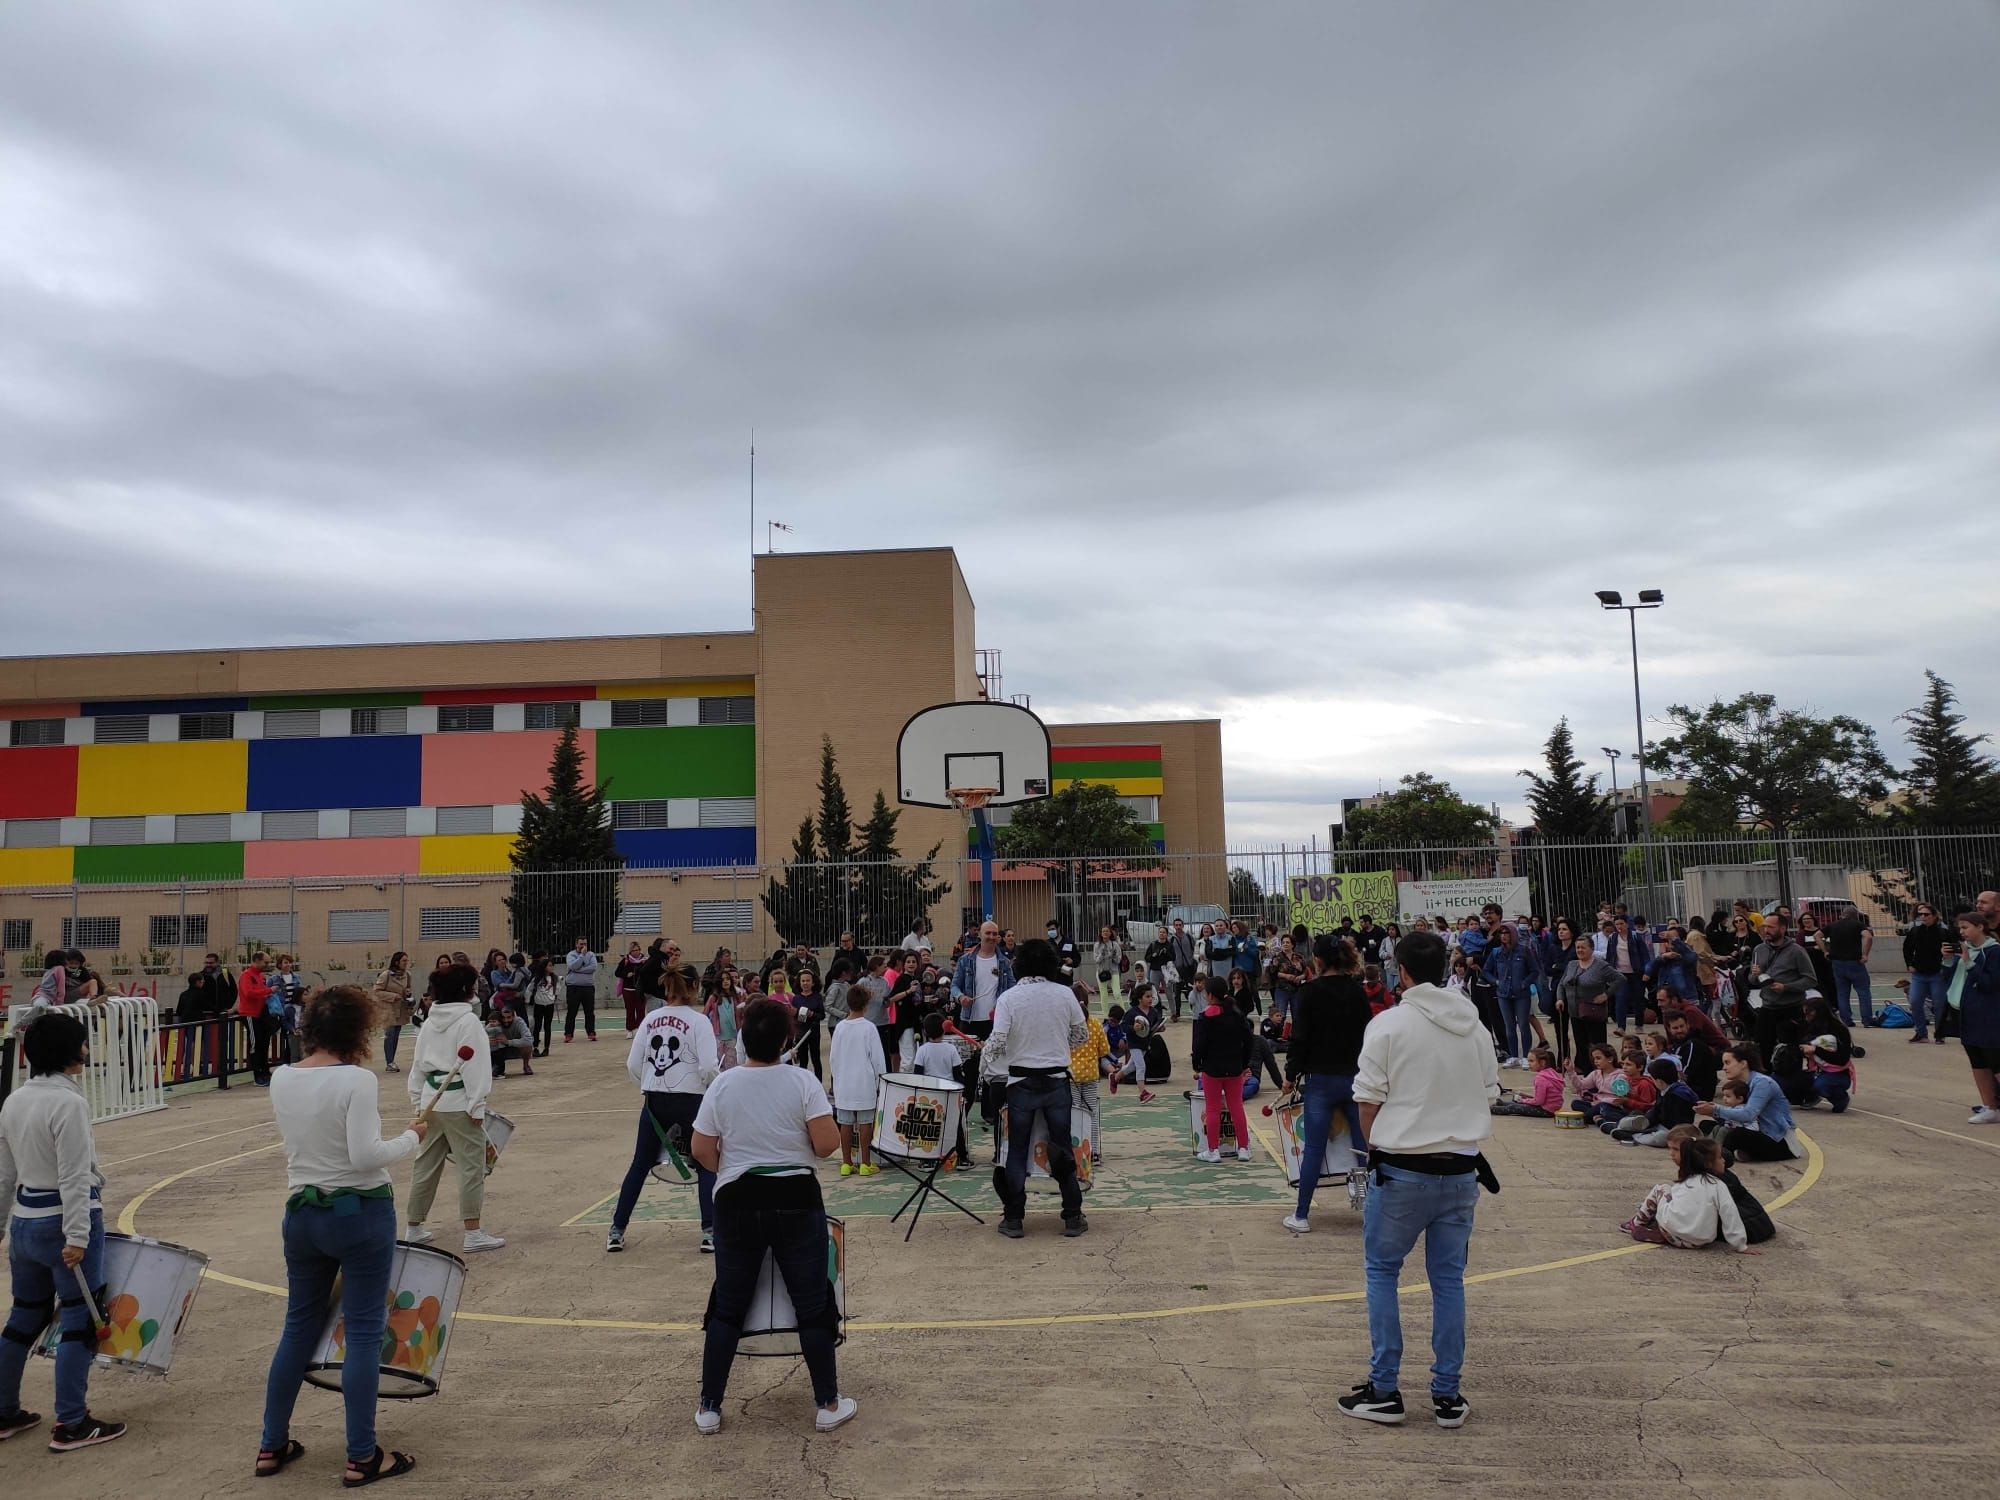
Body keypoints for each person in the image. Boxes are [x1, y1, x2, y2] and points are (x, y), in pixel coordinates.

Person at [255, 986, 425, 1485]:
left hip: (302, 1214)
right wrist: (413, 1136)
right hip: (360, 1214)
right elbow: (365, 1156)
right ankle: (362, 1455)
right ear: (359, 1029)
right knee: (365, 1333)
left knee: (297, 1328)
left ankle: (271, 1444)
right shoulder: (356, 1079)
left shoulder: (283, 1077)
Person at [1339, 929, 1498, 1430]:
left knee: (1382, 1271)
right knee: (1448, 1280)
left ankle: (1385, 1388)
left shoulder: (1389, 1025)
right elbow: (1489, 1092)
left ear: (1401, 972)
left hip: (1404, 1168)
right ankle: (1447, 1394)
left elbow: (1368, 1101)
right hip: (1461, 1170)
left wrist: (1379, 1147)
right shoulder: (1474, 1027)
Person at [690, 998, 854, 1435]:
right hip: (795, 1197)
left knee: (728, 1302)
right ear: (785, 1039)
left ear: (743, 1035)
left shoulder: (723, 1086)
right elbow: (824, 1145)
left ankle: (709, 1405)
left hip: (737, 1199)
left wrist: (731, 1161)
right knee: (812, 1301)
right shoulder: (803, 1081)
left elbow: (701, 1151)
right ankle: (827, 1402)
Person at [0, 1012, 126, 1452]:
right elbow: (74, 1176)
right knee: (81, 1321)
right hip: (64, 1221)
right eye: (82, 1043)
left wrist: (2, 1227)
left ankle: (4, 1410)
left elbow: (5, 1174)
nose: (87, 1050)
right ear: (69, 1051)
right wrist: (77, 1237)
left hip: (25, 1221)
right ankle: (71, 1422)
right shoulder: (69, 1103)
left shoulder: (15, 1100)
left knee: (25, 1316)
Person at [608, 967, 718, 1254]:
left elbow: (633, 1064)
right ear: (694, 987)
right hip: (691, 1099)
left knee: (640, 1164)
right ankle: (710, 1232)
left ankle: (617, 1230)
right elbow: (708, 1066)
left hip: (655, 1099)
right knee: (706, 1163)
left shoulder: (650, 1019)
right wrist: (712, 1090)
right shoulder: (699, 1021)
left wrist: (647, 1084)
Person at [987, 939, 1088, 1238]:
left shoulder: (1009, 998)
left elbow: (998, 1041)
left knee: (1017, 1151)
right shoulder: (1064, 994)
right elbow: (1080, 1034)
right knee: (1061, 1147)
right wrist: (1058, 1046)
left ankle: (1014, 1218)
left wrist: (985, 1061)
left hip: (1021, 1082)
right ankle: (1072, 1215)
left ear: (1018, 965)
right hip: (1057, 1079)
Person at [403, 964, 504, 1253]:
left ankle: (414, 1227)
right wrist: (477, 1106)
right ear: (467, 990)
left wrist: (416, 1100)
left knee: (426, 1164)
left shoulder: (429, 1021)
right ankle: (473, 1233)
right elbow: (477, 1069)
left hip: (430, 1101)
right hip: (460, 1103)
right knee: (472, 1167)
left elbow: (418, 1065)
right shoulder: (469, 1022)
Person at [1282, 936, 1371, 1231]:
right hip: (1355, 1078)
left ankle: (1302, 1215)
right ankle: (1373, 1211)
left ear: (1317, 961)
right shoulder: (1357, 992)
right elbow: (1368, 1035)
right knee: (1363, 1146)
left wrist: (1290, 1074)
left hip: (1319, 1080)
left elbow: (1300, 1039)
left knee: (1315, 1149)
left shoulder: (1308, 993)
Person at [1620, 1134, 1756, 1252]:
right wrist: (1741, 1245)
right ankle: (1660, 1230)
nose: (1724, 1161)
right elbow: (1730, 1214)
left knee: (1661, 1188)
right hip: (1699, 1242)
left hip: (1673, 1234)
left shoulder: (1685, 1180)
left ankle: (1638, 1223)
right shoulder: (1718, 1185)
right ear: (1708, 1163)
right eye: (1720, 1158)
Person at [1941, 906, 2000, 1123]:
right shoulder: (1966, 951)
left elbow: (1989, 984)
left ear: (1980, 927)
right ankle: (1990, 1107)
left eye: (1966, 927)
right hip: (1965, 1013)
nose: (1962, 932)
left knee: (1995, 1061)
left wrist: (1968, 962)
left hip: (1988, 1014)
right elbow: (1953, 979)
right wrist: (1948, 961)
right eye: (1960, 928)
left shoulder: (1994, 952)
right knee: (1977, 1062)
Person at [1695, 1043, 1799, 1163]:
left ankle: (1718, 1154)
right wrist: (1711, 1111)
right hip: (1756, 1131)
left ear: (1743, 1064)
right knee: (1706, 1125)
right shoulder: (1742, 1084)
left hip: (1778, 1140)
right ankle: (1742, 1152)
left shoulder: (1763, 1083)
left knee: (1735, 1134)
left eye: (1727, 1063)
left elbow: (1748, 1115)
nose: (1724, 1068)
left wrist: (1716, 1109)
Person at [1191, 977, 1253, 1164]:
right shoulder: (1236, 1013)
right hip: (1234, 1067)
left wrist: (1197, 1063)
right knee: (1237, 1107)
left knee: (1213, 1109)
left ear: (1209, 995)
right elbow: (1249, 1040)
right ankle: (1243, 1148)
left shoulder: (1206, 1016)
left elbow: (1199, 1044)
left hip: (1212, 1069)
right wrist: (1244, 1063)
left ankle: (1213, 1150)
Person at [829, 988, 886, 1175]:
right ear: (866, 1005)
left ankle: (846, 1163)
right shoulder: (869, 1028)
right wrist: (881, 1081)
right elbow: (877, 1059)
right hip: (864, 1083)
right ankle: (865, 1163)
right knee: (865, 1124)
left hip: (844, 1083)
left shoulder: (840, 1027)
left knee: (845, 1123)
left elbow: (833, 1058)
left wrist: (837, 1079)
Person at [1746, 918, 1815, 1066]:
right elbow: (1751, 979)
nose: (1766, 930)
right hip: (1767, 1008)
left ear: (1783, 929)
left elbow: (1811, 980)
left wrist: (1786, 987)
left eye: (1770, 927)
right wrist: (1754, 975)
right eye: (1764, 927)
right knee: (1762, 1049)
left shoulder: (1797, 951)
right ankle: (1768, 1081)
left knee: (1791, 1051)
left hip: (1791, 1008)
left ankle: (1792, 1083)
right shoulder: (1759, 950)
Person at [1482, 922, 1538, 1069]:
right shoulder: (1496, 952)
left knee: (1524, 1024)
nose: (1504, 936)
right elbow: (1486, 971)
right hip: (1503, 994)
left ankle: (1526, 1056)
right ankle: (1513, 1056)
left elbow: (1534, 971)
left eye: (1507, 933)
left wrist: (1524, 983)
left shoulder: (1524, 951)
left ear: (1513, 934)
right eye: (1501, 933)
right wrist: (1496, 981)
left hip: (1521, 994)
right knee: (1509, 1026)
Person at [950, 921, 1014, 1040]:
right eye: (988, 933)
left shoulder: (1004, 962)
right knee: (971, 1059)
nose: (991, 937)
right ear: (980, 934)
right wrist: (961, 997)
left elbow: (1012, 988)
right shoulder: (965, 960)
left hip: (996, 1021)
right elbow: (954, 986)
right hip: (969, 1020)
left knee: (995, 1058)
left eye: (994, 934)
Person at [1902, 903, 1951, 1043]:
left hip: (1937, 974)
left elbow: (1952, 949)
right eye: (1920, 914)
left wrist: (1946, 964)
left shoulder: (1943, 932)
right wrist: (1909, 964)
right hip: (1919, 974)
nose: (1923, 917)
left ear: (1934, 916)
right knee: (1915, 1001)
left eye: (1926, 914)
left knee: (1939, 1004)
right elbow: (1907, 948)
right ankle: (1921, 1033)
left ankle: (1939, 1034)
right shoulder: (1915, 931)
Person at [1794, 996, 1853, 1112]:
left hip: (1838, 1072)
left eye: (1809, 1013)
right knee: (1788, 1082)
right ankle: (1810, 1095)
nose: (1806, 1017)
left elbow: (1842, 1059)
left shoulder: (1839, 1030)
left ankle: (1840, 1098)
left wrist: (1816, 1050)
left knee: (1821, 1085)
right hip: (1814, 1069)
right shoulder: (1807, 1026)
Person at [238, 951, 278, 1086]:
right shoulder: (247, 975)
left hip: (260, 1013)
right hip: (250, 1013)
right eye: (265, 962)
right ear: (257, 960)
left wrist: (268, 994)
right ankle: (257, 1074)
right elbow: (249, 993)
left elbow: (258, 993)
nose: (267, 965)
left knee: (263, 1043)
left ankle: (264, 1071)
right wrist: (269, 991)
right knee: (255, 1044)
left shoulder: (260, 976)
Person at [1490, 1046, 1564, 1119]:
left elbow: (1538, 1101)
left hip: (1546, 1110)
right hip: (1553, 1108)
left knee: (1516, 1108)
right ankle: (1504, 1104)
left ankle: (1493, 1109)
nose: (1528, 1063)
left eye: (1531, 1061)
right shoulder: (1551, 1073)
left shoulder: (1541, 1078)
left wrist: (1523, 1100)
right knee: (1520, 1103)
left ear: (1542, 1062)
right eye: (1528, 1061)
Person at [372, 952, 415, 1074]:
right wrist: (392, 996)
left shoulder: (407, 975)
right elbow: (377, 991)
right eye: (403, 961)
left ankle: (392, 1060)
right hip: (388, 1009)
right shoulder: (386, 975)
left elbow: (408, 988)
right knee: (389, 1036)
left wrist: (407, 993)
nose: (406, 963)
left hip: (401, 1009)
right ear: (396, 962)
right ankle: (389, 1062)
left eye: (407, 960)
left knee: (396, 1035)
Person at [790, 967, 826, 1079]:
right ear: (799, 983)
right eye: (803, 981)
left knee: (816, 1059)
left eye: (808, 980)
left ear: (813, 982)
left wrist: (812, 1015)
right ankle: (803, 1085)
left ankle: (818, 1083)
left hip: (814, 1032)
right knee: (803, 1061)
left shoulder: (817, 997)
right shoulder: (796, 998)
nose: (805, 983)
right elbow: (795, 1016)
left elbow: (822, 1015)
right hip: (801, 1033)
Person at [563, 937, 600, 1043]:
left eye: (585, 943)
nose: (583, 946)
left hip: (588, 987)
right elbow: (573, 966)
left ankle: (591, 1032)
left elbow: (593, 967)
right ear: (576, 944)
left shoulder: (591, 955)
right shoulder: (571, 955)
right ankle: (568, 1034)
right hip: (573, 987)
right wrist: (581, 956)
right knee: (572, 1012)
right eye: (581, 944)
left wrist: (578, 970)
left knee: (589, 1012)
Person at [522, 956, 560, 1058]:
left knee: (548, 1026)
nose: (552, 968)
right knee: (537, 1026)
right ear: (544, 967)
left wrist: (553, 998)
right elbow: (529, 989)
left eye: (552, 966)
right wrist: (527, 1000)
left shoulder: (554, 978)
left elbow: (557, 989)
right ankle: (535, 1047)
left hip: (549, 1005)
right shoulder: (537, 978)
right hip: (539, 1005)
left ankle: (546, 1048)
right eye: (549, 965)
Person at [487, 1005, 534, 1077]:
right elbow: (480, 1037)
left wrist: (508, 1042)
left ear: (514, 1016)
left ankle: (526, 1066)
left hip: (515, 1048)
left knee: (527, 1046)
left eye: (509, 1017)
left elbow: (529, 1040)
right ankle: (495, 1069)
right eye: (503, 1018)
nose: (506, 1020)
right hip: (499, 1049)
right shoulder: (494, 1023)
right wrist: (488, 1041)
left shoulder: (519, 1022)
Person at [614, 942, 648, 1036]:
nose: (636, 952)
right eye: (634, 950)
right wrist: (626, 974)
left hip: (641, 989)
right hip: (628, 989)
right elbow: (617, 973)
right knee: (630, 1010)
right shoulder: (626, 960)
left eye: (638, 950)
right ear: (630, 951)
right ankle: (630, 1029)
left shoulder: (644, 960)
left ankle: (640, 1029)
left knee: (641, 1010)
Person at [1167, 919, 1198, 1018]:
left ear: (1183, 926)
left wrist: (1193, 961)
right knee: (1177, 992)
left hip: (1189, 968)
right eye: (1176, 925)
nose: (1178, 927)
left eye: (1180, 925)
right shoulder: (1171, 939)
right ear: (1174, 926)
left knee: (1191, 990)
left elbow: (1195, 949)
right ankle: (1177, 1013)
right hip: (1177, 969)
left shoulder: (1189, 937)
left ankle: (1194, 1011)